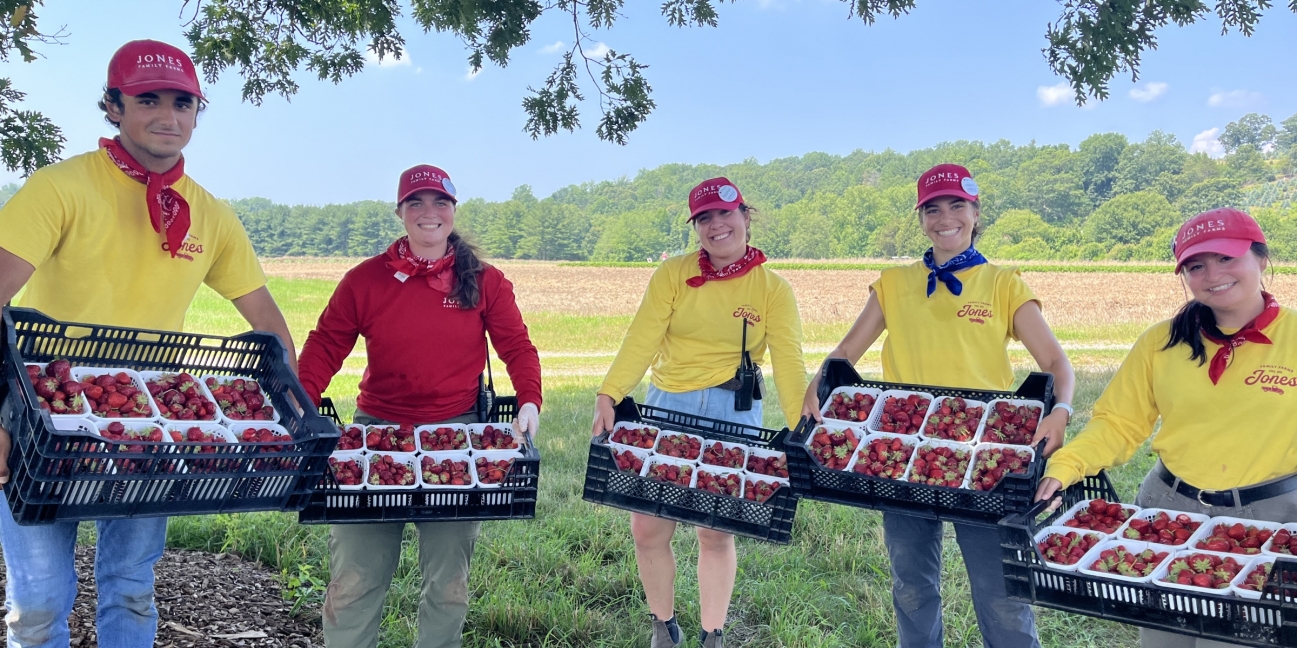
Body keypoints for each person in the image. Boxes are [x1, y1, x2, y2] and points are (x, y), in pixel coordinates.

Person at [0, 40, 296, 648]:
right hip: (40, 413)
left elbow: (265, 319)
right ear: (113, 105)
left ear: (196, 112)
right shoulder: (59, 187)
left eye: (183, 102)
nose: (169, 116)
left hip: (147, 416)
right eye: (148, 99)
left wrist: (295, 410)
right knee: (38, 603)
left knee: (132, 586)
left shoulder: (209, 215)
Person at [802, 164, 1075, 648]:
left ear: (975, 213)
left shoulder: (1003, 283)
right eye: (932, 209)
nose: (944, 218)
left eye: (956, 206)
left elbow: (1054, 359)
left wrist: (1061, 410)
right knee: (911, 583)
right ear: (921, 218)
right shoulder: (893, 284)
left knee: (1001, 591)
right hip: (903, 453)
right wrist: (816, 383)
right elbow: (844, 354)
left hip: (986, 454)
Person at [296, 163, 542, 648]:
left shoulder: (484, 280)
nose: (429, 213)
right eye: (416, 203)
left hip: (458, 439)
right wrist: (302, 403)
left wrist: (530, 400)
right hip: (378, 434)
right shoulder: (366, 280)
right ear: (400, 213)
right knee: (353, 580)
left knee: (448, 584)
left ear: (453, 211)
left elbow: (517, 345)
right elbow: (326, 344)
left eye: (440, 203)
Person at [1036, 207, 1297, 648]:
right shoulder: (1160, 343)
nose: (1212, 274)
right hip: (1169, 512)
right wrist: (1065, 467)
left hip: (1268, 523)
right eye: (1196, 266)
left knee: (1236, 640)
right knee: (1163, 640)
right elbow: (1117, 422)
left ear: (1261, 259)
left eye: (1227, 258)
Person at [592, 177, 808, 648]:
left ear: (745, 217)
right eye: (704, 218)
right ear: (696, 227)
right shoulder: (673, 274)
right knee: (648, 525)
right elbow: (643, 337)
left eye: (725, 214)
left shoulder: (772, 288)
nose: (716, 225)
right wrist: (610, 392)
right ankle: (663, 625)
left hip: (735, 411)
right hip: (669, 406)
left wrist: (800, 428)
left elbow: (790, 362)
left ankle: (713, 633)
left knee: (714, 530)